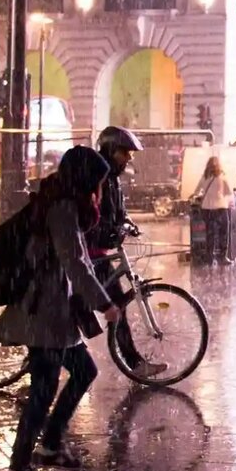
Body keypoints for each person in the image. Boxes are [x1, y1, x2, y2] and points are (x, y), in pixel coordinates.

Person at [0, 146, 119, 471]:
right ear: (85, 179)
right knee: (42, 391)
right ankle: (18, 469)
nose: (99, 189)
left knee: (84, 371)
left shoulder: (60, 199)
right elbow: (74, 262)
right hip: (45, 312)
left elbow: (75, 259)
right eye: (97, 181)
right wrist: (104, 304)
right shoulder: (62, 207)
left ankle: (51, 444)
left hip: (55, 311)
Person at [89, 127, 162, 380]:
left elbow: (115, 211)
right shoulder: (96, 177)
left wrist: (126, 222)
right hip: (89, 253)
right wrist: (110, 228)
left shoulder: (112, 179)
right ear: (111, 150)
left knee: (116, 307)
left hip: (100, 252)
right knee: (109, 306)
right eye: (125, 152)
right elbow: (92, 216)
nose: (129, 158)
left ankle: (134, 362)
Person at [195, 156, 232, 265]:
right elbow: (229, 192)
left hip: (207, 209)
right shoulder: (223, 177)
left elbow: (197, 191)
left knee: (210, 234)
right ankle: (222, 256)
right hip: (220, 208)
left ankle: (209, 257)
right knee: (223, 233)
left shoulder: (204, 177)